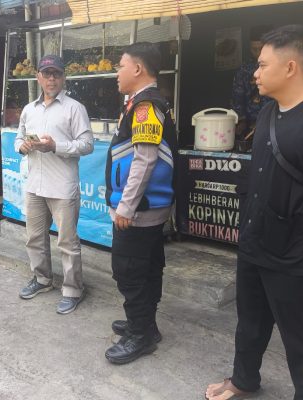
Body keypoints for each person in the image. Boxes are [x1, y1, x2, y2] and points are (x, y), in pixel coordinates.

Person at [205, 25, 303, 400]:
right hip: (256, 241)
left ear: (290, 67)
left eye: (262, 65)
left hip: (296, 253)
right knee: (251, 321)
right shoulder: (269, 115)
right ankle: (244, 380)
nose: (254, 73)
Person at [103, 42, 177, 365]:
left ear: (137, 69)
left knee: (129, 269)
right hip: (147, 206)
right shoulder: (141, 103)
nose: (116, 72)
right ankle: (145, 323)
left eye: (120, 65)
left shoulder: (147, 106)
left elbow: (144, 160)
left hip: (140, 208)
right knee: (147, 265)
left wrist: (126, 207)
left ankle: (140, 335)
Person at [15, 54, 94, 314]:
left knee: (67, 242)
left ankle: (73, 289)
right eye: (46, 73)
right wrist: (24, 147)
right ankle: (42, 279)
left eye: (56, 74)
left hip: (62, 186)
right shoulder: (29, 109)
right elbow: (18, 140)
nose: (51, 78)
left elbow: (87, 144)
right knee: (35, 237)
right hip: (34, 184)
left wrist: (55, 146)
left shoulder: (74, 108)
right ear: (38, 76)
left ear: (63, 78)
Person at [231, 25, 273, 137]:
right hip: (250, 126)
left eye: (261, 49)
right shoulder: (244, 70)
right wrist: (241, 120)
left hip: (273, 125)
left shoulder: (278, 69)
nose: (258, 53)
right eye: (254, 49)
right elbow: (238, 97)